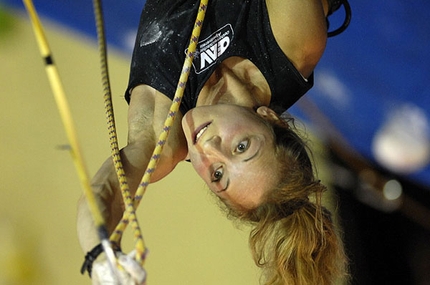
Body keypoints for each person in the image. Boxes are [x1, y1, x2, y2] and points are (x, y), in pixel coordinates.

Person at [78, 0, 350, 284]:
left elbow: (104, 195)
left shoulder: (163, 134)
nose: (211, 149)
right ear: (270, 117)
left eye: (218, 174)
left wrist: (101, 259)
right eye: (241, 147)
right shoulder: (293, 42)